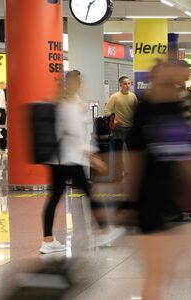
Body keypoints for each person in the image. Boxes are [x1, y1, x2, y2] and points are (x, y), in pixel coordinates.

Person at [126, 61, 191, 300]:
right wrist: (130, 201)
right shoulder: (147, 108)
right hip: (150, 197)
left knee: (165, 270)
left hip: (171, 198)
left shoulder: (176, 107)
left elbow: (183, 157)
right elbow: (136, 160)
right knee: (156, 272)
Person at [40, 70, 116, 254]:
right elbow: (75, 133)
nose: (81, 84)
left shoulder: (60, 102)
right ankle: (104, 231)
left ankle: (48, 240)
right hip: (71, 158)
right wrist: (92, 155)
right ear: (75, 83)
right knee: (90, 194)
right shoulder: (70, 103)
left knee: (55, 196)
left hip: (58, 159)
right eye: (79, 81)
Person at [105, 76, 138, 150]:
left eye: (129, 83)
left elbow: (137, 111)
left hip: (131, 128)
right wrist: (114, 121)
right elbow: (107, 110)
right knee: (118, 151)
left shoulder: (133, 96)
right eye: (125, 84)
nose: (127, 86)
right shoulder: (115, 96)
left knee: (131, 151)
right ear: (120, 85)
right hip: (119, 128)